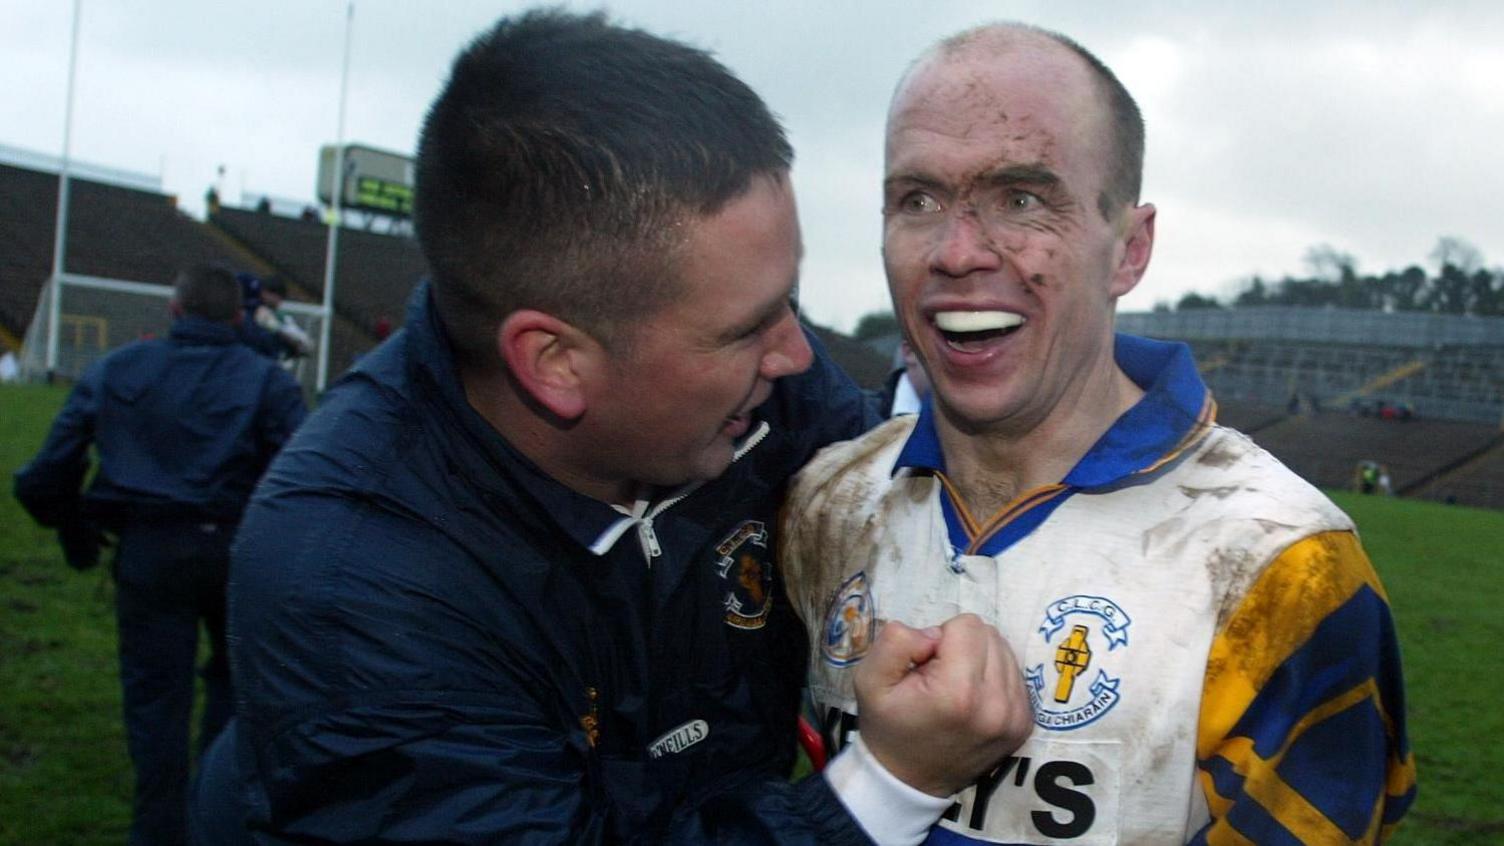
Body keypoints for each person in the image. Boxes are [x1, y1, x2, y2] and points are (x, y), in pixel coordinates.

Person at [196, 11, 1031, 845]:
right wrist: (884, 787)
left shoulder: (754, 382)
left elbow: (870, 465)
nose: (793, 353)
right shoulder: (352, 589)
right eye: (745, 329)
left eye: (791, 302)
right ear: (555, 361)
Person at [780, 24, 1415, 844]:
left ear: (1130, 248)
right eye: (919, 200)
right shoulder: (823, 503)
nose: (957, 250)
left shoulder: (1282, 567)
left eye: (1022, 199)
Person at [13, 263, 306, 846]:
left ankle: (160, 825)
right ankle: (214, 812)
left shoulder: (117, 368)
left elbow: (43, 477)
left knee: (156, 702)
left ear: (173, 311)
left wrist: (76, 529)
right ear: (238, 317)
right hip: (236, 551)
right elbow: (308, 479)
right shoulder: (267, 381)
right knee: (236, 687)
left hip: (150, 552)